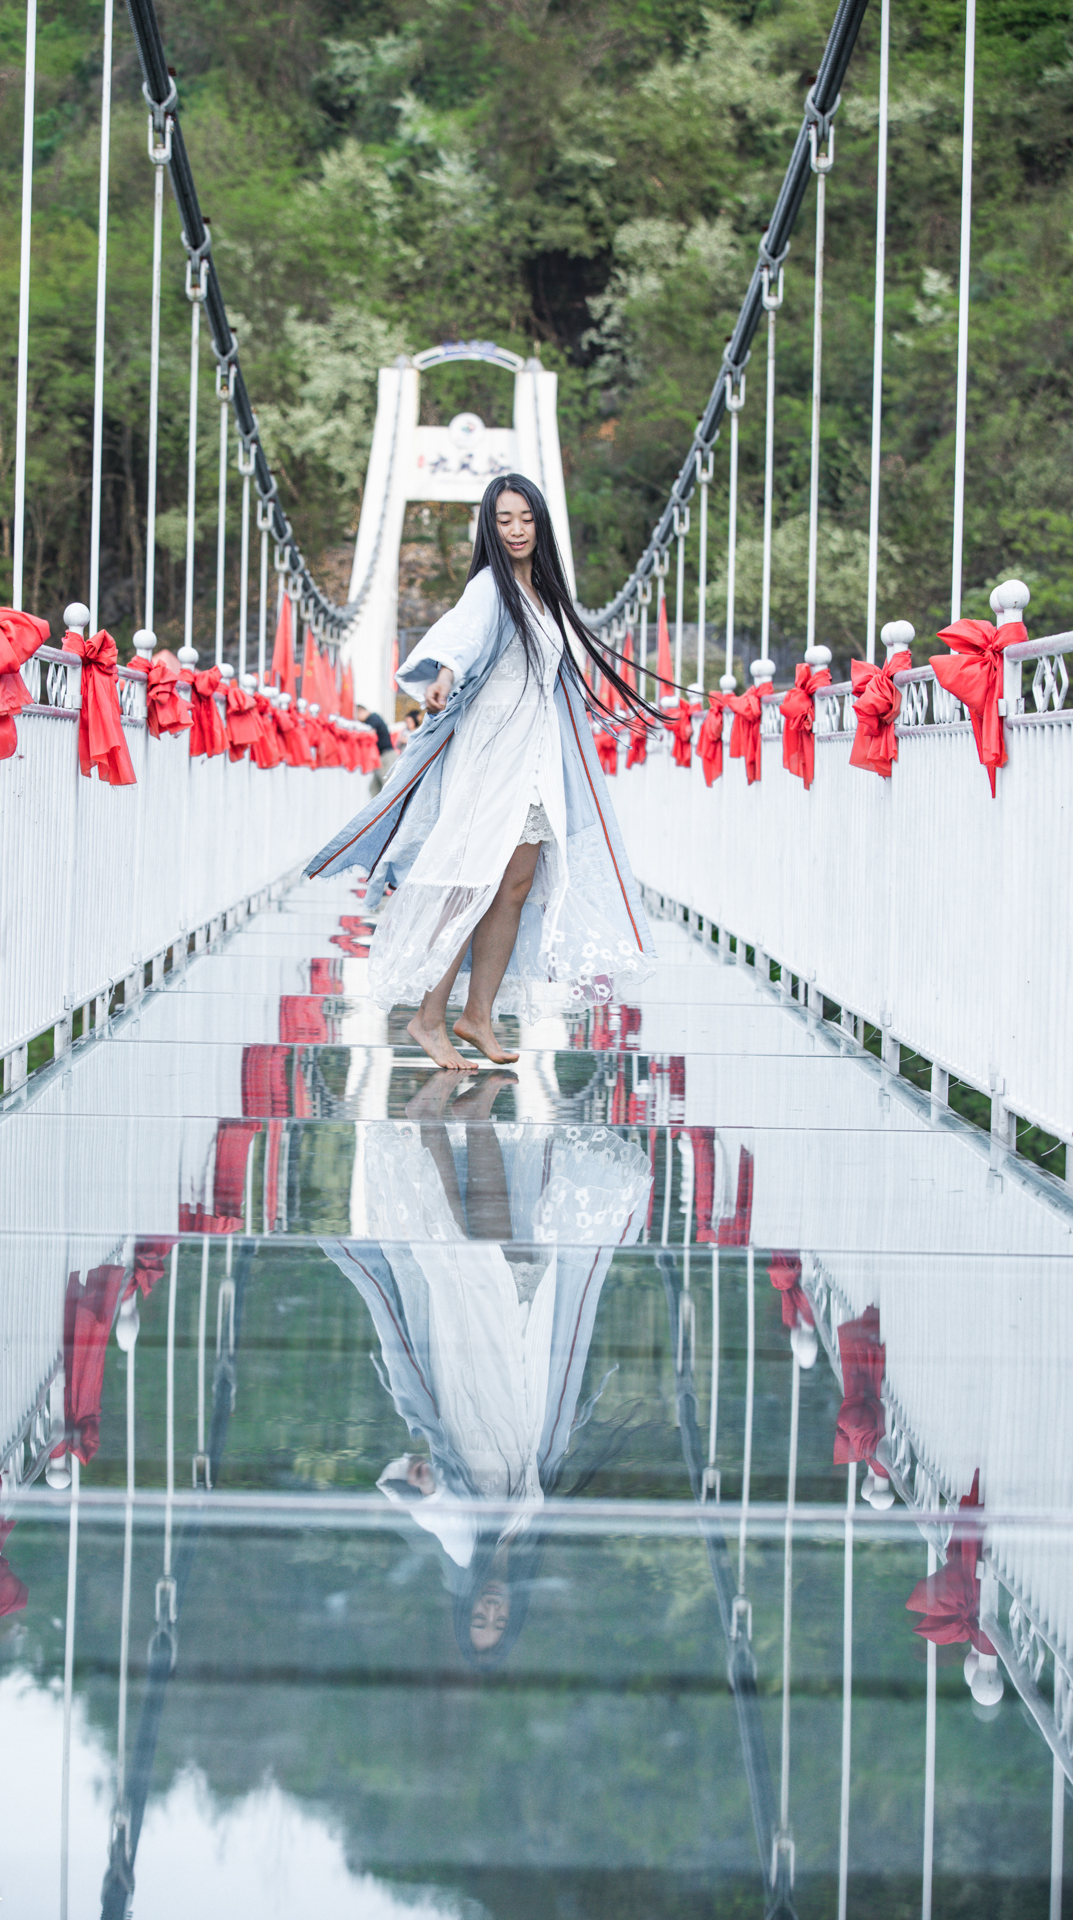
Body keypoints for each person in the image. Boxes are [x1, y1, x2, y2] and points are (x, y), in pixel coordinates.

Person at [305, 474, 657, 1069]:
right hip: (494, 757)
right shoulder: (492, 587)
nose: (517, 530)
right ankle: (427, 1017)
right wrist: (442, 675)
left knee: (516, 885)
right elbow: (460, 639)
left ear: (540, 523)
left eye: (526, 518)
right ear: (489, 530)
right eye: (504, 520)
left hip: (536, 759)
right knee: (471, 882)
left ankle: (478, 1015)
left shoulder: (544, 595)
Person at [321, 1070, 655, 1665]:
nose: (493, 1608)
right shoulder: (525, 1543)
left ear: (467, 1603)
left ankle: (429, 1118)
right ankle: (474, 1117)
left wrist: (415, 1482)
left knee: (459, 1247)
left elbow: (422, 1501)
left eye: (481, 1615)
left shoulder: (461, 1546)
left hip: (474, 1387)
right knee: (511, 1250)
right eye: (499, 1620)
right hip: (523, 1387)